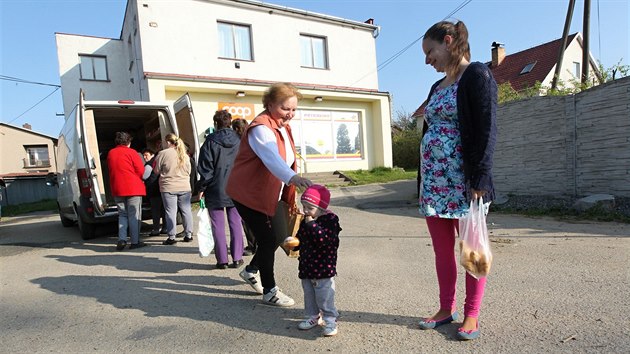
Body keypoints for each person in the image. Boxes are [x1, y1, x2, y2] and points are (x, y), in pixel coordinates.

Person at [417, 20, 497, 341]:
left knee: (471, 251)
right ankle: (445, 308)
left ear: (448, 41)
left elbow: (488, 129)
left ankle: (472, 314)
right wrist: (422, 180)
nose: (427, 60)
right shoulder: (437, 88)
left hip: (465, 184)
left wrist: (480, 177)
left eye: (430, 51)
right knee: (441, 252)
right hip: (434, 187)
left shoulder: (477, 75)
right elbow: (429, 132)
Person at [226, 82, 312, 307]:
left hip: (265, 192)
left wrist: (291, 181)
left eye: (294, 109)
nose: (290, 114)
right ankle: (270, 290)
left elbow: (286, 158)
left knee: (273, 237)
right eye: (285, 109)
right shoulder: (261, 128)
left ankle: (251, 270)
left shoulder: (282, 126)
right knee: (268, 238)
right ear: (269, 104)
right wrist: (292, 178)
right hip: (247, 193)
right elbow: (271, 158)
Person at [291, 184, 341, 337]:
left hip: (323, 267)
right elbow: (301, 236)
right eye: (304, 206)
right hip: (307, 265)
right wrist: (294, 243)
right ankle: (312, 317)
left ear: (322, 208)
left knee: (324, 295)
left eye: (309, 208)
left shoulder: (330, 220)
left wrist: (311, 224)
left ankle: (330, 319)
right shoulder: (307, 220)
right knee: (309, 294)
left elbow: (324, 239)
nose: (305, 211)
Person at [198, 110, 244, 269]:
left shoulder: (210, 141)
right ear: (229, 122)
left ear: (215, 123)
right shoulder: (240, 139)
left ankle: (222, 260)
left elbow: (205, 168)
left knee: (217, 225)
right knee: (235, 222)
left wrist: (202, 187)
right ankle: (237, 257)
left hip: (215, 188)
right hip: (237, 187)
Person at [107, 131, 147, 251]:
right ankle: (135, 242)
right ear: (128, 142)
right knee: (134, 215)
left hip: (118, 188)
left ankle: (122, 239)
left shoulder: (111, 153)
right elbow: (141, 170)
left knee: (122, 214)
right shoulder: (132, 152)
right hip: (133, 187)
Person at [154, 133, 194, 245]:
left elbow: (156, 170)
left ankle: (172, 237)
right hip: (184, 186)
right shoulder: (184, 155)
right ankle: (188, 234)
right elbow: (189, 171)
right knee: (186, 210)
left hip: (168, 186)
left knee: (170, 211)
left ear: (167, 142)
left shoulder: (162, 154)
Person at [231, 118, 256, 256]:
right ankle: (256, 244)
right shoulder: (252, 140)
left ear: (235, 129)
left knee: (246, 218)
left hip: (244, 184)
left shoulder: (238, 143)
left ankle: (252, 246)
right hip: (255, 183)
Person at [141, 148, 167, 236]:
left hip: (153, 190)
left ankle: (156, 229)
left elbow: (144, 176)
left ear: (152, 155)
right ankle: (165, 228)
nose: (144, 157)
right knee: (163, 210)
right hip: (162, 189)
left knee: (155, 211)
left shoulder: (149, 165)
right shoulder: (160, 162)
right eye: (143, 155)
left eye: (146, 155)